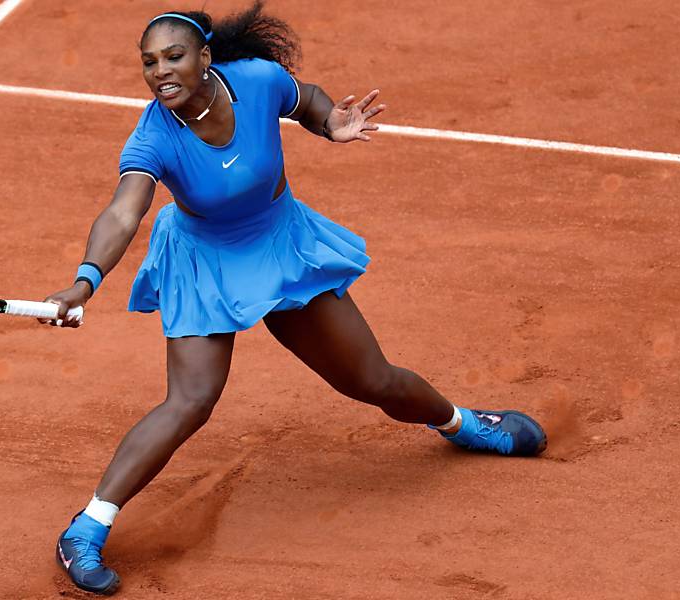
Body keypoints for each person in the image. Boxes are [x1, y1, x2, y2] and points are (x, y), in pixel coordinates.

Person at [42, 3, 547, 595]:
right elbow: (125, 211)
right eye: (148, 62)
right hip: (205, 260)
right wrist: (85, 280)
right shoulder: (154, 135)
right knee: (191, 400)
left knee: (372, 380)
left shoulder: (257, 80)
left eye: (173, 56)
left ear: (206, 58)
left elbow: (303, 97)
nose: (160, 71)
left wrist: (331, 121)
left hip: (281, 246)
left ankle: (464, 424)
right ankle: (85, 530)